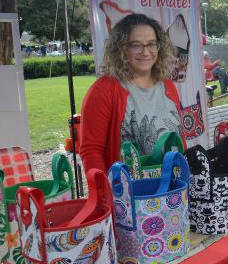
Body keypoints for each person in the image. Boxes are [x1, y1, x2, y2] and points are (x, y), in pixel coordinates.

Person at [79, 13, 186, 175]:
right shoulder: (103, 91)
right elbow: (91, 151)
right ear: (121, 48)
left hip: (175, 192)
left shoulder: (168, 85)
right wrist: (106, 194)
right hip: (128, 196)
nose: (146, 52)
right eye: (136, 45)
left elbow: (179, 139)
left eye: (151, 44)